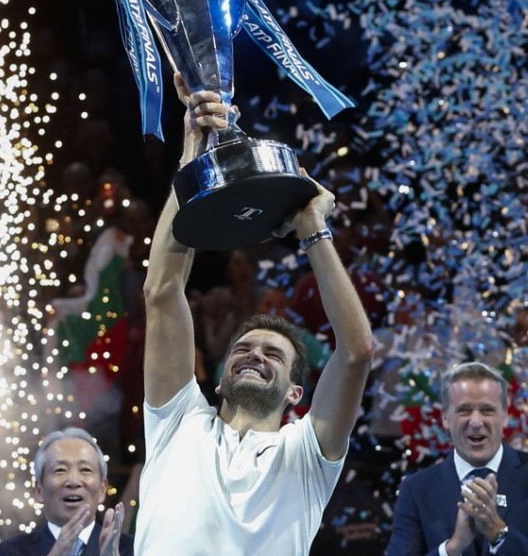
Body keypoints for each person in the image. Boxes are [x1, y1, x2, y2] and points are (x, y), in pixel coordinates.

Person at [133, 74, 375, 555]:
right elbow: (162, 292)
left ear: (295, 393)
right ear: (219, 381)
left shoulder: (306, 455)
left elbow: (356, 352)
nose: (253, 356)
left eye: (273, 355)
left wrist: (311, 227)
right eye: (242, 349)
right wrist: (192, 162)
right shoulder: (179, 423)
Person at [385, 362, 528, 556]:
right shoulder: (416, 489)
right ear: (445, 418)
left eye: (487, 410)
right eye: (464, 410)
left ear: (505, 416)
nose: (475, 422)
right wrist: (452, 548)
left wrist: (498, 533)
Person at [0, 426, 132, 556]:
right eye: (60, 470)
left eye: (85, 470)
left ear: (103, 489)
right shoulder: (9, 551)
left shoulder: (133, 549)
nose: (73, 481)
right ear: (39, 490)